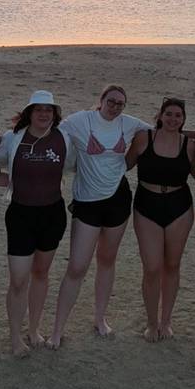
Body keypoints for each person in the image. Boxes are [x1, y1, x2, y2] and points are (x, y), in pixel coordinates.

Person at [47, 84, 151, 348]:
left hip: (118, 198)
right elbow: (50, 133)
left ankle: (100, 318)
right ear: (101, 100)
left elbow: (158, 130)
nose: (115, 107)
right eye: (112, 101)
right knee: (77, 266)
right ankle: (57, 330)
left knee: (107, 259)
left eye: (120, 103)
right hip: (87, 202)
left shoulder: (128, 123)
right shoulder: (81, 121)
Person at [0, 90, 72, 357]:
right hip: (20, 214)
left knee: (41, 274)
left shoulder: (65, 138)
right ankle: (15, 338)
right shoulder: (13, 137)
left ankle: (34, 329)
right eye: (38, 109)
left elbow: (75, 166)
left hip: (53, 214)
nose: (43, 114)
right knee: (18, 280)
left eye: (48, 110)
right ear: (29, 112)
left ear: (55, 114)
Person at [126, 98, 195, 341]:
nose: (173, 119)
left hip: (180, 206)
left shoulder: (189, 145)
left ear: (184, 119)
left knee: (172, 265)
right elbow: (122, 165)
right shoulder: (144, 138)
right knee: (152, 267)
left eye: (178, 115)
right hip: (147, 204)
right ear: (160, 115)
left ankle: (166, 320)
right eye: (169, 114)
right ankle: (151, 322)